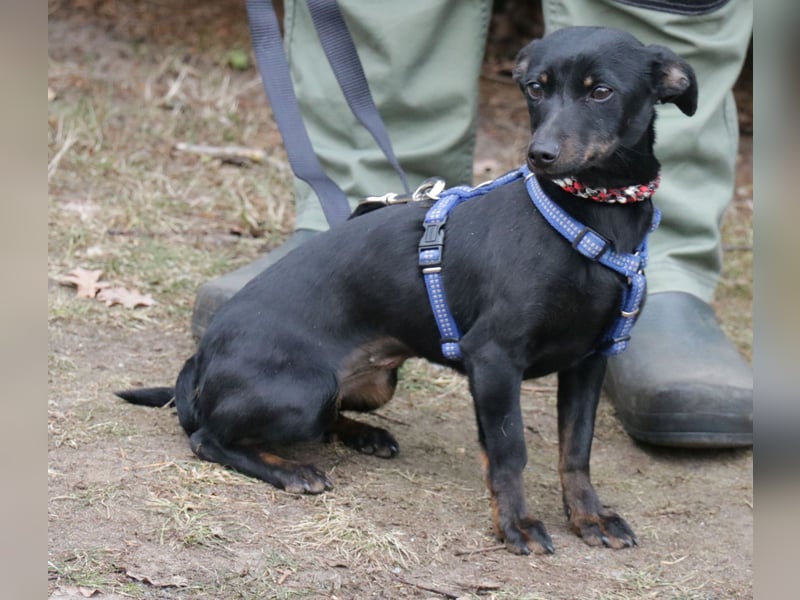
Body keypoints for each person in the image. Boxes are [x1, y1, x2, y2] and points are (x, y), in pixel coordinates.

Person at [191, 0, 753, 448]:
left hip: (629, 200)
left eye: (598, 92)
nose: (548, 131)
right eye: (538, 89)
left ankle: (667, 274)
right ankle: (362, 222)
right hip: (366, 307)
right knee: (388, 14)